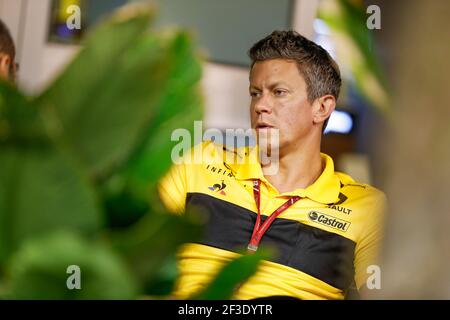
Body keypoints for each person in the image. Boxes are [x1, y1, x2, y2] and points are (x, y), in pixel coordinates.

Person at [158, 30, 386, 300]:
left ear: (322, 108)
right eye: (255, 93)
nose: (260, 106)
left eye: (278, 92)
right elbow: (136, 255)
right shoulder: (198, 161)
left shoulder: (366, 207)